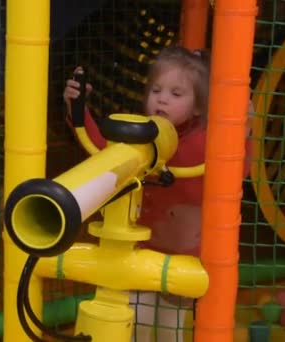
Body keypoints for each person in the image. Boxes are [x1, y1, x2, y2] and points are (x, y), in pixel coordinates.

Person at [63, 45, 254, 341]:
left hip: (184, 257)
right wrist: (78, 110)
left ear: (198, 107)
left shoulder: (206, 140)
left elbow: (237, 172)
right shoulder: (142, 138)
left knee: (169, 330)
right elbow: (103, 154)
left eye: (176, 94)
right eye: (156, 90)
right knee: (138, 324)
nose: (162, 99)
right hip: (142, 252)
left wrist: (243, 130)